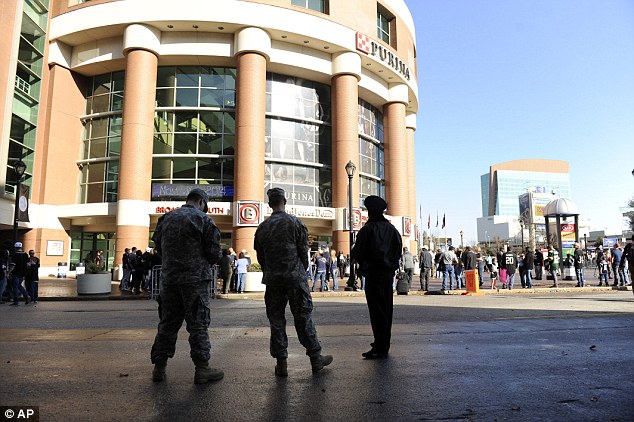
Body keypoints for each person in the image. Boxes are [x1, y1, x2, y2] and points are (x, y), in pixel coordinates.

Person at [253, 187, 332, 376]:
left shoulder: (263, 227)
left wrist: (271, 270)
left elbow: (260, 256)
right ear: (284, 201)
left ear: (270, 204)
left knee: (276, 320)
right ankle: (315, 359)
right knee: (303, 317)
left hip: (273, 280)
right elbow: (303, 254)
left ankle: (282, 364)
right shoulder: (295, 223)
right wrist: (300, 271)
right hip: (295, 278)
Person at [150, 188, 224, 384]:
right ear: (201, 202)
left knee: (167, 324)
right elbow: (215, 254)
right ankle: (202, 369)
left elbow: (158, 247)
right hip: (195, 282)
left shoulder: (165, 218)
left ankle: (159, 368)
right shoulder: (203, 220)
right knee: (198, 325)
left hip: (169, 280)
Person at [351, 195, 402, 359]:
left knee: (376, 310)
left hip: (373, 274)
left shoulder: (367, 230)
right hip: (387, 274)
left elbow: (357, 252)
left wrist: (364, 266)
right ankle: (383, 344)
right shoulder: (392, 229)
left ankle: (379, 345)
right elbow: (397, 251)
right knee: (386, 309)